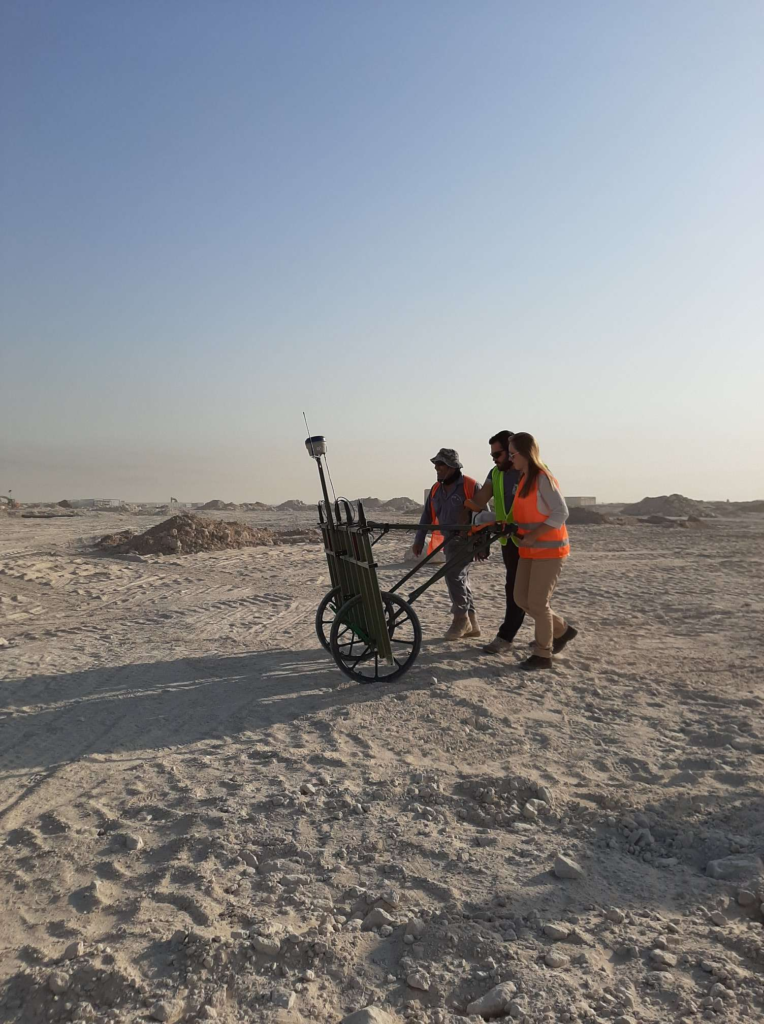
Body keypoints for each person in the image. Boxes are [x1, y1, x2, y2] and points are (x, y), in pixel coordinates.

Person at [507, 432, 578, 670]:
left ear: (526, 453)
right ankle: (562, 630)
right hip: (529, 550)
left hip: (549, 551)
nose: (510, 458)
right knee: (521, 599)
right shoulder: (523, 478)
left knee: (538, 603)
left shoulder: (542, 478)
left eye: (512, 454)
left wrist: (535, 535)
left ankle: (543, 654)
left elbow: (561, 511)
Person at [464, 430, 525, 654]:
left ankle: (506, 637)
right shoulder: (495, 473)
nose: (494, 459)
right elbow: (480, 501)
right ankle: (558, 631)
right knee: (522, 592)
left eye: (498, 454)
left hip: (533, 540)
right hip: (509, 541)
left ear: (511, 452)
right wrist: (462, 508)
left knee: (520, 592)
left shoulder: (527, 471)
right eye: (492, 455)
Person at [413, 448, 481, 639]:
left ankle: (460, 619)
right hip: (448, 540)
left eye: (441, 464)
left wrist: (481, 544)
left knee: (453, 575)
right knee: (461, 578)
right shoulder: (436, 489)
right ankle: (473, 623)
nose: (437, 467)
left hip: (467, 540)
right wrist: (419, 540)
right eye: (436, 464)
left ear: (452, 466)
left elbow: (484, 516)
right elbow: (426, 515)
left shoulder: (470, 486)